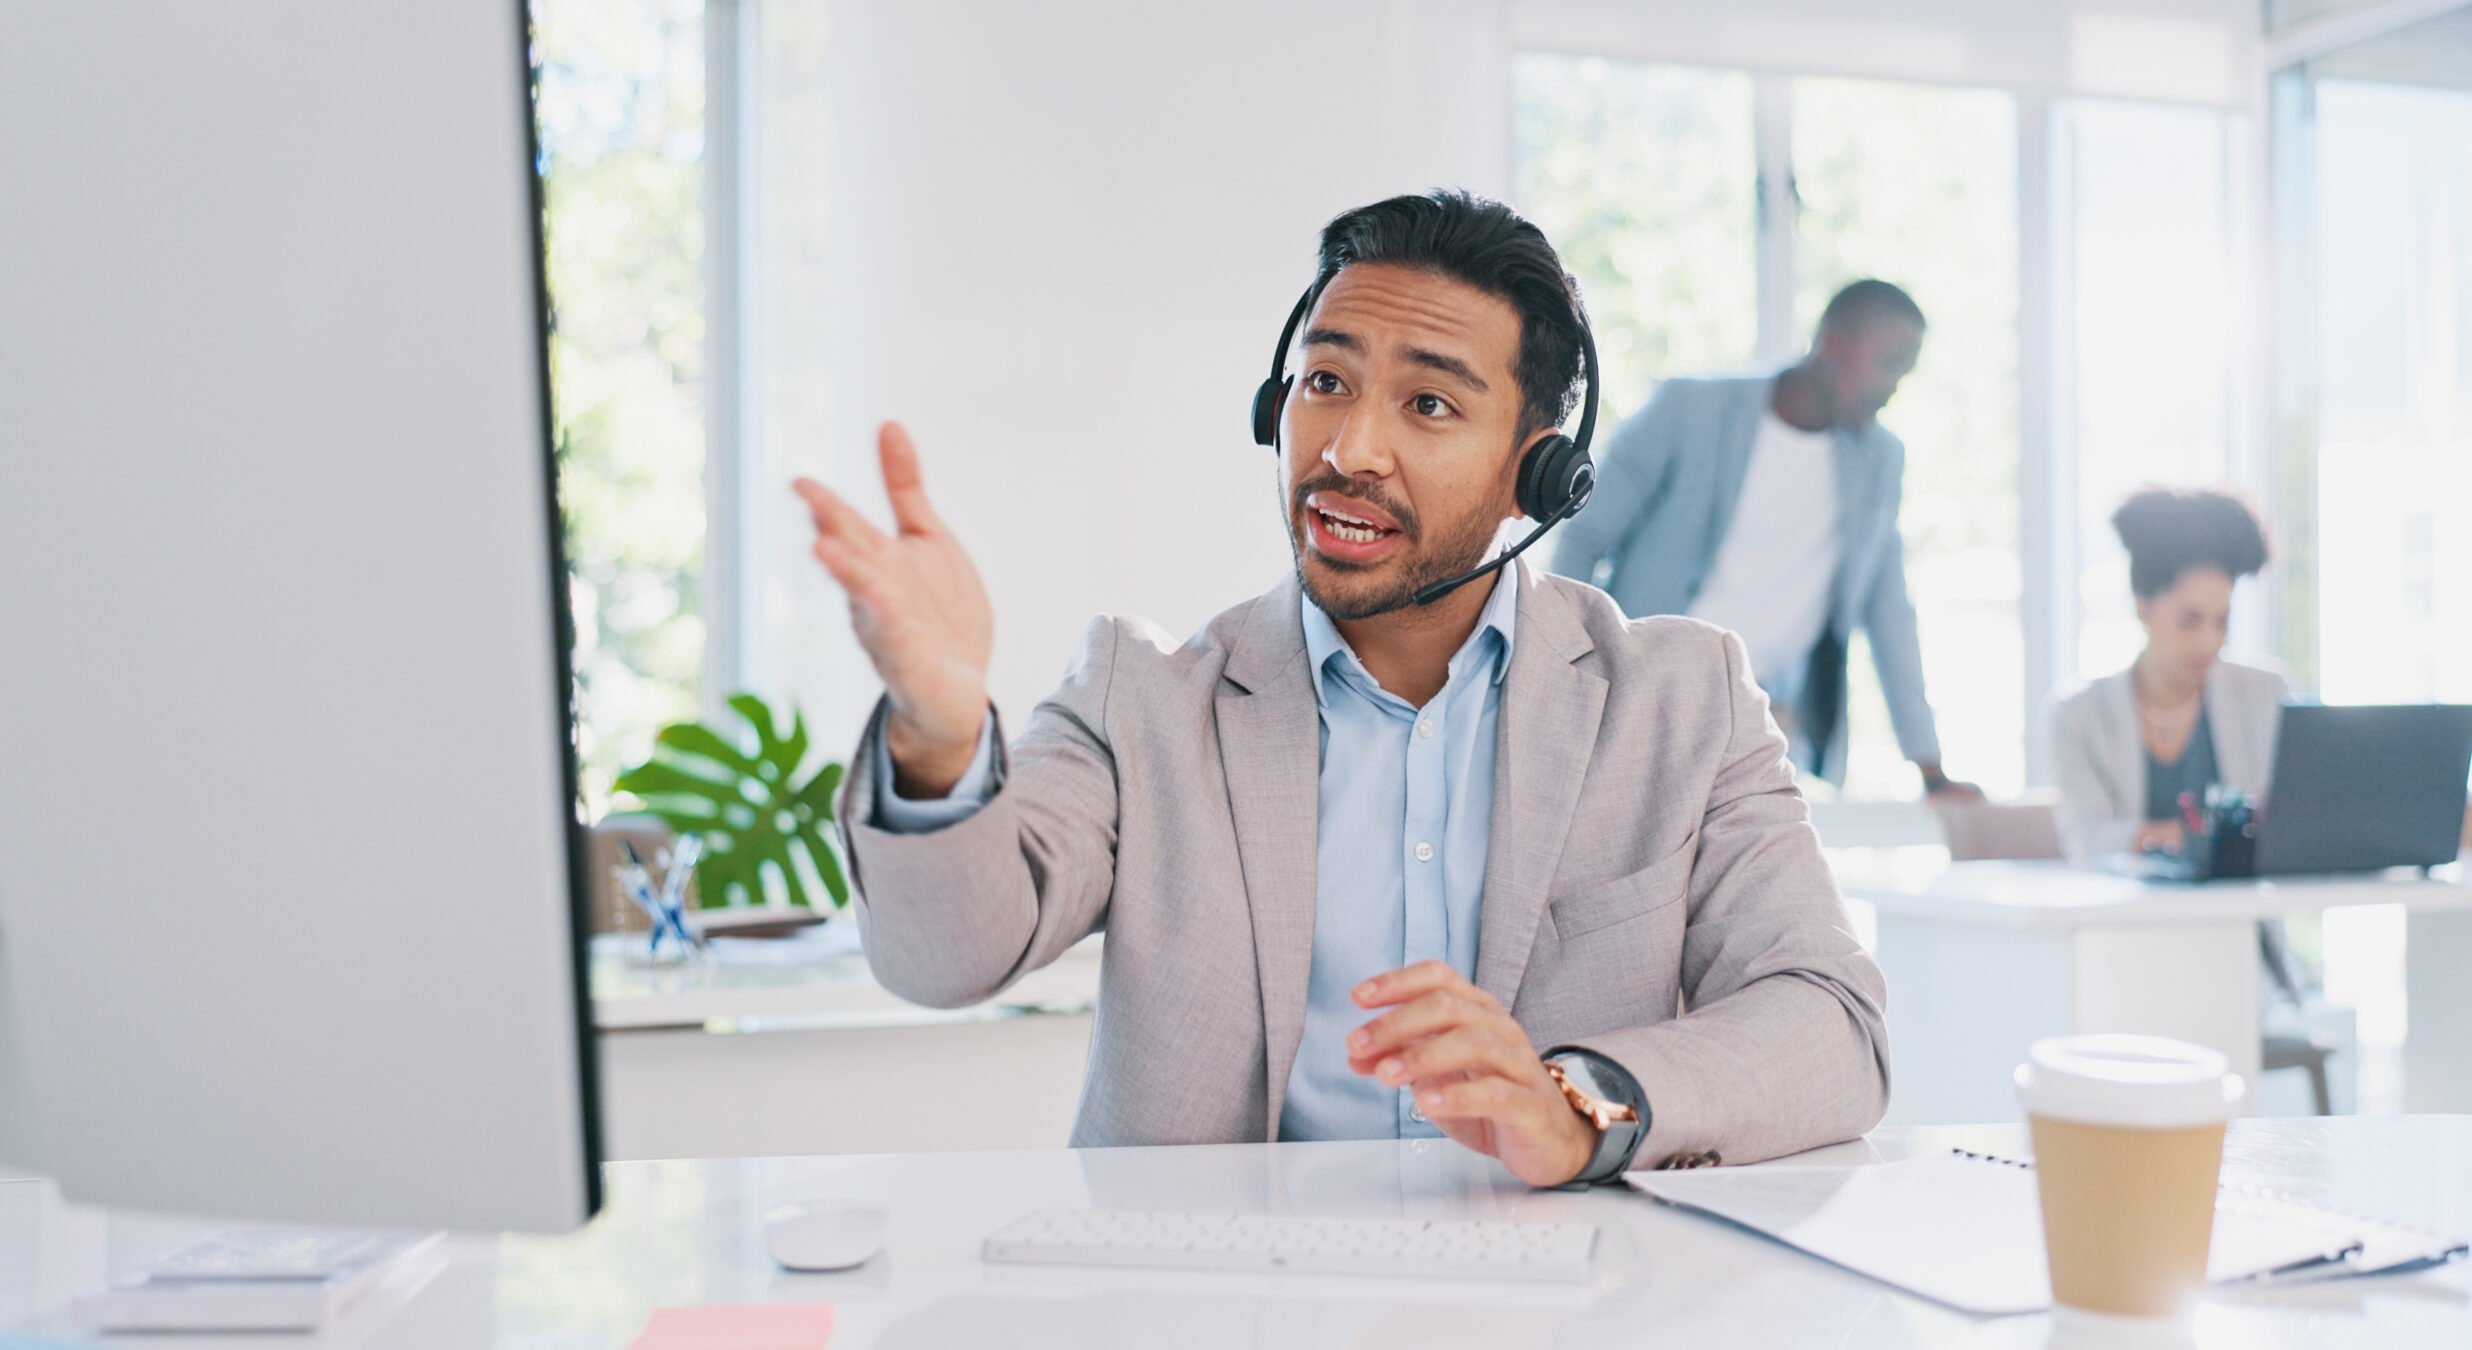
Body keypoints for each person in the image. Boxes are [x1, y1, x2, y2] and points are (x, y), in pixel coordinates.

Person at [794, 191, 1887, 1185]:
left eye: (1427, 405)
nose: (1350, 449)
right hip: (1216, 1312)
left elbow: (1831, 1028)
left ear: (1536, 473)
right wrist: (936, 741)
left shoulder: (1680, 702)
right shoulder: (1146, 700)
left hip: (1556, 1308)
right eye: (1326, 383)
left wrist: (1576, 1100)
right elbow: (944, 957)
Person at [1548, 282, 1973, 795]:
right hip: (1643, 700)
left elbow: (1888, 610)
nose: (1893, 388)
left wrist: (1930, 765)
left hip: (1765, 726)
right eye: (1889, 363)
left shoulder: (1879, 460)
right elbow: (1583, 536)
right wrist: (1565, 675)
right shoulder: (1689, 410)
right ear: (1832, 345)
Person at [2049, 488, 2286, 862]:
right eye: (2189, 621)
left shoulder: (2266, 692)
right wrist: (2209, 836)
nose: (2209, 641)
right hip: (2126, 919)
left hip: (2243, 917)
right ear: (2143, 607)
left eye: (2221, 621)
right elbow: (2087, 841)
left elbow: (2291, 820)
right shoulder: (2078, 714)